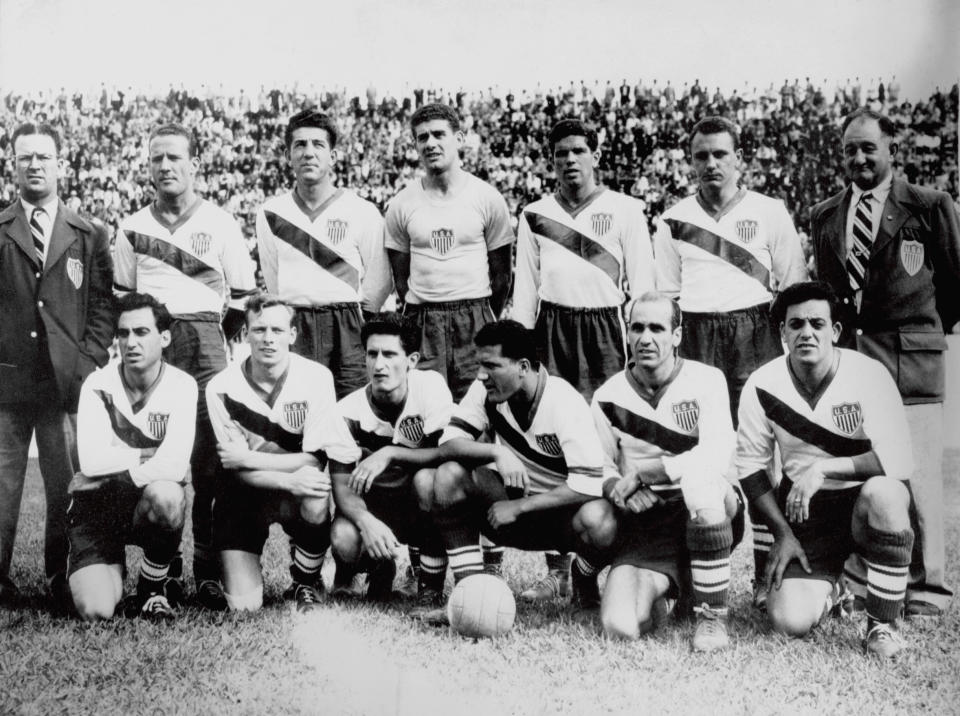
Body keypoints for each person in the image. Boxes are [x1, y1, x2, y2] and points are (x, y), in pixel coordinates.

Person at [810, 108, 960, 618]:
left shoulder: (930, 206)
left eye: (868, 148)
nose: (859, 158)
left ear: (892, 150)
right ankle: (867, 574)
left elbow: (955, 288)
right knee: (866, 473)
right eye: (850, 149)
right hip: (852, 358)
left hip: (910, 360)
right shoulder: (825, 214)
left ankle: (929, 588)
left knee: (917, 474)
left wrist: (919, 331)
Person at [653, 115, 808, 601]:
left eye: (721, 154)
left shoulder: (770, 211)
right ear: (690, 161)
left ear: (739, 159)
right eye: (701, 156)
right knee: (691, 454)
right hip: (696, 338)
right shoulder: (673, 219)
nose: (711, 163)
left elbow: (794, 287)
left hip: (755, 335)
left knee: (760, 456)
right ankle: (693, 568)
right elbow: (666, 297)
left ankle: (766, 575)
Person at [114, 123, 258, 609]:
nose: (165, 166)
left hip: (205, 347)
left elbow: (240, 297)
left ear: (193, 164)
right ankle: (164, 568)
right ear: (148, 165)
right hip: (156, 345)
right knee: (159, 456)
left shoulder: (220, 222)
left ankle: (208, 569)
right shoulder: (132, 226)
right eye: (157, 158)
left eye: (175, 157)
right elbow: (124, 298)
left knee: (211, 466)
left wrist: (214, 346)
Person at [513, 118, 654, 602]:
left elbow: (644, 287)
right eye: (560, 153)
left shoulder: (625, 210)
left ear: (595, 155)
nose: (570, 160)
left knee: (606, 438)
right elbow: (524, 292)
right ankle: (559, 562)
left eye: (578, 151)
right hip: (552, 328)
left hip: (605, 330)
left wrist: (638, 341)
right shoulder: (533, 213)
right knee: (552, 443)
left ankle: (611, 556)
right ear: (550, 161)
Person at [736, 282, 914, 658]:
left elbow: (899, 459)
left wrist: (824, 468)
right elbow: (751, 468)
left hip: (861, 506)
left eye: (817, 323)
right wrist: (782, 533)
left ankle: (882, 624)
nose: (806, 333)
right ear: (782, 332)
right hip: (806, 513)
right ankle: (836, 589)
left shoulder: (868, 373)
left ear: (835, 331)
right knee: (788, 621)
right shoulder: (761, 383)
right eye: (795, 324)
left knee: (886, 492)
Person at [419, 320, 618, 623]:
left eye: (492, 366)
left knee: (601, 521)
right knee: (447, 476)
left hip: (561, 518)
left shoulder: (564, 402)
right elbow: (449, 443)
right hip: (511, 509)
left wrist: (520, 506)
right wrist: (496, 451)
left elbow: (587, 485)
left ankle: (583, 582)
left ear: (523, 366)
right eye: (479, 366)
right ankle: (471, 594)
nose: (482, 375)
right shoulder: (485, 391)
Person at [0, 122, 114, 610]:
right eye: (25, 157)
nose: (35, 165)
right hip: (5, 383)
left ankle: (58, 577)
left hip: (64, 384)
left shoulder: (90, 234)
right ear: (14, 165)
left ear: (60, 165)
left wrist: (86, 364)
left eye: (43, 157)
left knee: (63, 485)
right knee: (1, 486)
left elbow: (102, 309)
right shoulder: (1, 229)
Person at [593, 292, 744, 651]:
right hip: (646, 522)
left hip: (706, 510)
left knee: (703, 484)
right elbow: (596, 464)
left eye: (657, 328)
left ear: (676, 335)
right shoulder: (607, 395)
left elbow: (716, 454)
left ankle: (711, 618)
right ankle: (671, 589)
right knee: (619, 627)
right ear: (626, 334)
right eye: (637, 328)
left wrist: (650, 472)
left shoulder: (707, 380)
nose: (646, 338)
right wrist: (619, 486)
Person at [205, 294, 360, 612]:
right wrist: (282, 478)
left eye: (277, 330)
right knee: (244, 605)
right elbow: (233, 470)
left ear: (292, 334)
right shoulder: (220, 386)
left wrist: (249, 457)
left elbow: (315, 458)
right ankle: (238, 567)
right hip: (244, 493)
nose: (268, 339)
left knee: (315, 488)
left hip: (293, 486)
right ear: (245, 334)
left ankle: (306, 581)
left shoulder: (317, 378)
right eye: (259, 330)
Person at [68, 293, 197, 621]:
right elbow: (92, 461)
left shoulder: (183, 386)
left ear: (164, 338)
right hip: (96, 509)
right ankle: (109, 566)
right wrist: (150, 454)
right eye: (123, 334)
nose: (130, 342)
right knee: (96, 611)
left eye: (141, 332)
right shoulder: (98, 384)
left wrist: (121, 469)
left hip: (132, 498)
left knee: (168, 494)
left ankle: (152, 589)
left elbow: (176, 464)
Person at [256, 109, 392, 400]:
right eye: (300, 145)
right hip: (297, 324)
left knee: (351, 411)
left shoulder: (362, 211)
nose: (308, 153)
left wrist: (356, 321)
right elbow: (273, 280)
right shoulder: (270, 213)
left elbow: (380, 280)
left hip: (347, 325)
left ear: (333, 155)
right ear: (288, 154)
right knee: (298, 411)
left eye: (318, 144)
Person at [384, 103, 515, 403]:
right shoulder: (402, 203)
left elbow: (502, 277)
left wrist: (478, 313)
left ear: (459, 137)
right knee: (424, 406)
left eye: (439, 134)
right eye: (422, 137)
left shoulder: (487, 198)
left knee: (480, 404)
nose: (430, 143)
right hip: (423, 318)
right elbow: (400, 279)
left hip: (474, 315)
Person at [331, 314, 452, 606]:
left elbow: (449, 453)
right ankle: (374, 567)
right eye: (372, 354)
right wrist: (366, 522)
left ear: (411, 360)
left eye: (389, 354)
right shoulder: (347, 411)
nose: (379, 364)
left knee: (429, 481)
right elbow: (340, 484)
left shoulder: (430, 387)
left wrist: (391, 452)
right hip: (375, 506)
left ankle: (430, 587)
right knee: (344, 538)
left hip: (418, 503)